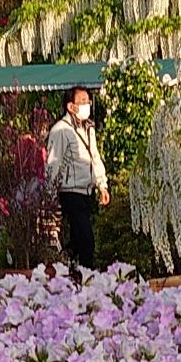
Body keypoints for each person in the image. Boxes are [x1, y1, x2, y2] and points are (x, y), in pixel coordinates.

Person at [46, 86, 109, 270]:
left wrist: (102, 184)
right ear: (70, 106)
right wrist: (49, 194)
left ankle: (67, 270)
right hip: (70, 192)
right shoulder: (61, 130)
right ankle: (86, 276)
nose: (86, 105)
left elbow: (94, 156)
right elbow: (53, 163)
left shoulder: (88, 128)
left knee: (76, 240)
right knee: (86, 241)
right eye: (81, 102)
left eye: (88, 101)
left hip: (86, 191)